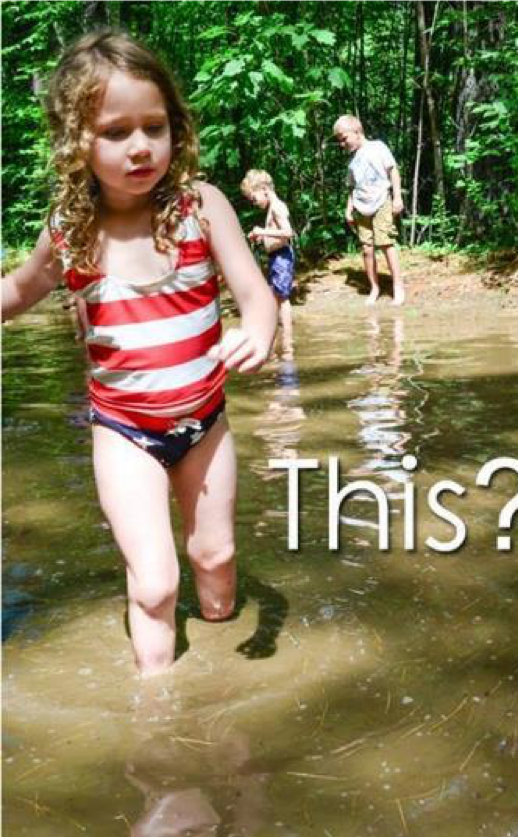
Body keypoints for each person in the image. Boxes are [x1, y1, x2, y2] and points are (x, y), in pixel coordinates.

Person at [1, 29, 276, 677]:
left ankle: (225, 672)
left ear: (175, 128)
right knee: (153, 583)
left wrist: (259, 329)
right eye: (116, 131)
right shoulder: (71, 234)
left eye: (154, 126)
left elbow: (256, 295)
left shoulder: (200, 209)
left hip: (205, 424)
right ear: (78, 143)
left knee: (214, 558)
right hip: (124, 433)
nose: (140, 146)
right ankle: (158, 709)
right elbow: (16, 289)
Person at [333, 114, 406, 305]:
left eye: (344, 139)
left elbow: (393, 171)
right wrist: (348, 209)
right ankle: (374, 287)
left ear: (357, 132)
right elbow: (352, 188)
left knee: (386, 244)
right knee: (367, 249)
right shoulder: (352, 162)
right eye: (339, 141)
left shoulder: (378, 147)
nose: (342, 144)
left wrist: (397, 197)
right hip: (361, 207)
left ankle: (398, 286)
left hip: (381, 201)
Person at [241, 169, 296, 358]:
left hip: (282, 257)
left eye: (254, 199)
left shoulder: (277, 207)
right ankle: (278, 333)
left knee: (282, 297)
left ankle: (287, 340)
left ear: (264, 189)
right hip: (276, 257)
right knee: (275, 297)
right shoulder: (272, 207)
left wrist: (262, 232)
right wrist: (259, 235)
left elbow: (288, 233)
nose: (254, 204)